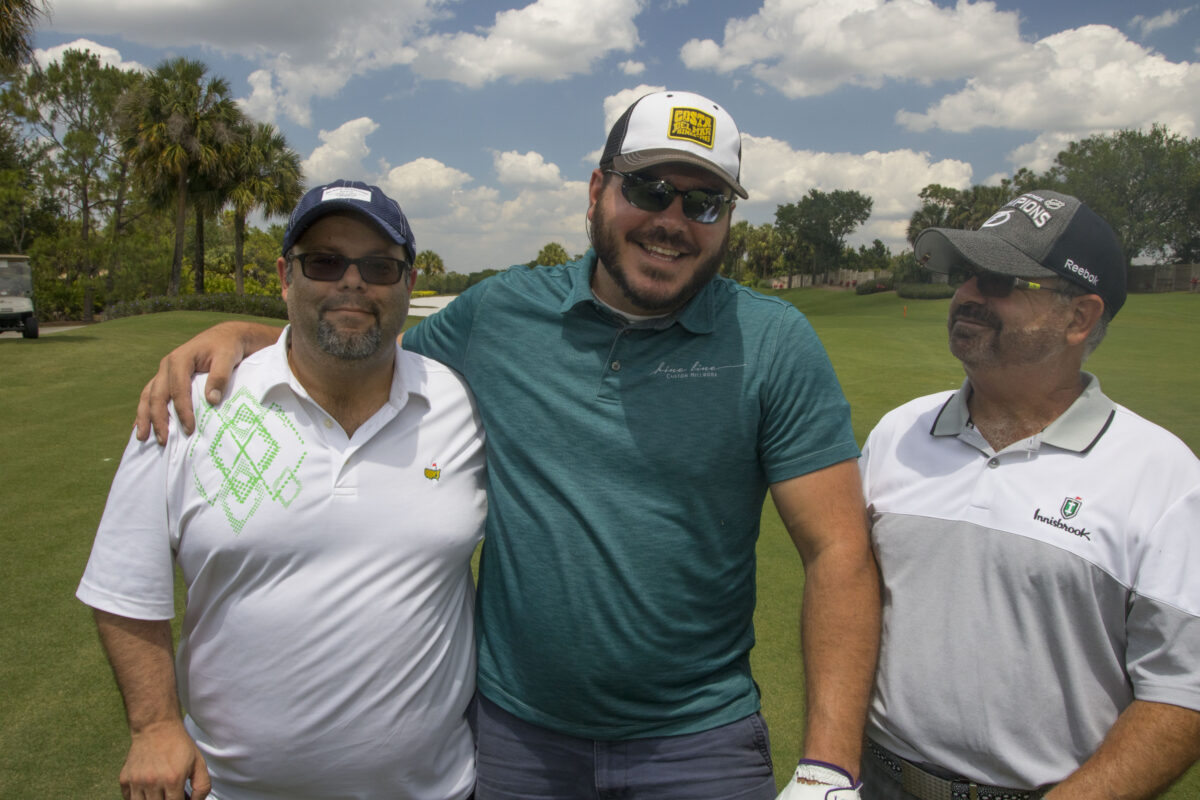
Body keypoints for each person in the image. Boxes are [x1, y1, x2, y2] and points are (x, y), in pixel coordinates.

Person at [136, 91, 881, 800]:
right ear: (598, 191)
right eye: (649, 190)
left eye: (705, 201)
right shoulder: (501, 314)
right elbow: (364, 348)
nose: (672, 220)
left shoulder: (774, 342)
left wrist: (828, 768)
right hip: (518, 740)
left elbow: (837, 550)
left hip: (699, 743)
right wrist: (252, 339)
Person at [78, 180, 487, 800]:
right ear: (284, 276)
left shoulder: (454, 399)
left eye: (379, 266)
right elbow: (125, 581)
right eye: (323, 261)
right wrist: (154, 725)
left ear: (407, 283)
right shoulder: (190, 401)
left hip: (435, 789)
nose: (352, 282)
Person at [858, 190, 1200, 800]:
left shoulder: (1164, 476)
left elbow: (1182, 691)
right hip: (878, 779)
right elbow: (846, 604)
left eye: (1001, 279)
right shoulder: (897, 433)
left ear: (1079, 317)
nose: (969, 294)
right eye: (968, 275)